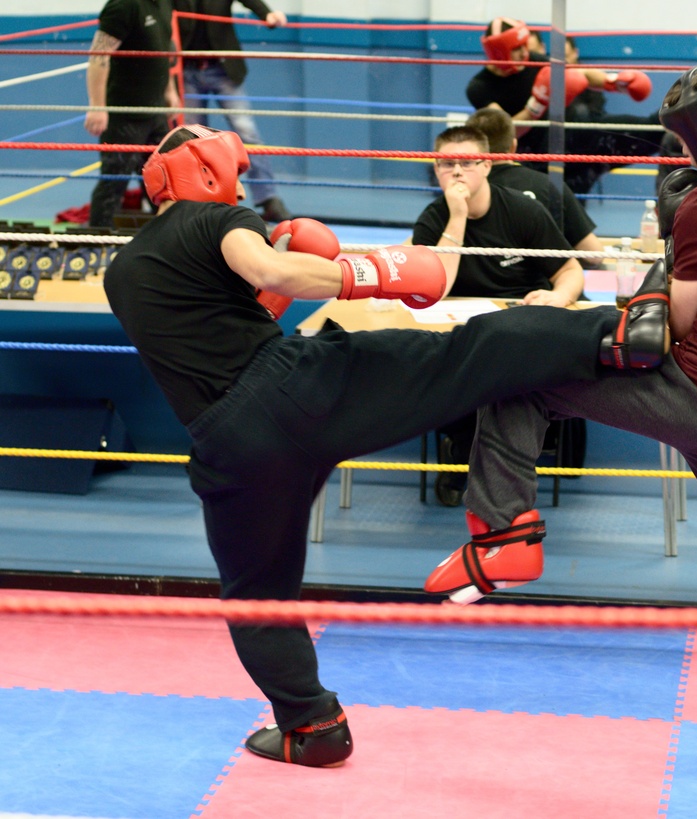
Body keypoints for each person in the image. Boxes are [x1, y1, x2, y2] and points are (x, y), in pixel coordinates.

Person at [102, 123, 657, 768]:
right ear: (208, 172)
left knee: (255, 595)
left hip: (229, 445)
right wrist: (370, 271)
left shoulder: (123, 273)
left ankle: (312, 726)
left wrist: (273, 292)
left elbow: (215, 323)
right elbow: (269, 268)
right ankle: (614, 334)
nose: (241, 187)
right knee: (463, 354)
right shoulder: (215, 218)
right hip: (296, 392)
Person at [424, 61, 697, 778]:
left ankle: (503, 533)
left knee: (520, 371)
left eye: (687, 141)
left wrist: (679, 245)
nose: (686, 154)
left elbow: (676, 325)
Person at [411, 124, 587, 506]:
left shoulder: (522, 210)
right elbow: (435, 288)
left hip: (518, 326)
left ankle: (495, 470)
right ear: (436, 170)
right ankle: (461, 454)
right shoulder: (432, 219)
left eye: (467, 163)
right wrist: (457, 217)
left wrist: (558, 296)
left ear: (488, 165)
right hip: (462, 336)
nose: (457, 172)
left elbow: (571, 270)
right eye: (447, 164)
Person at [467, 16, 662, 195]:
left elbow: (578, 73)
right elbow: (505, 132)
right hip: (535, 158)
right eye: (516, 48)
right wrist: (536, 106)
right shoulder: (480, 87)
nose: (524, 52)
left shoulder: (533, 60)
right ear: (498, 51)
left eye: (524, 45)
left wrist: (612, 82)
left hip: (573, 138)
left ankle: (674, 119)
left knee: (646, 129)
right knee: (561, 205)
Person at [181, 0, 292, 222]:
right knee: (191, 138)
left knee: (247, 132)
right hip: (186, 68)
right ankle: (196, 200)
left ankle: (268, 198)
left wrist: (267, 14)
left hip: (223, 68)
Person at [464, 107, 606, 265]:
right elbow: (594, 254)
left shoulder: (460, 191)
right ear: (513, 146)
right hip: (548, 279)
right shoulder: (548, 185)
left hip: (476, 278)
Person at [84, 0, 180, 228]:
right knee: (113, 185)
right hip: (124, 114)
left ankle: (167, 239)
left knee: (163, 182)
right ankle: (96, 242)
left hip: (155, 112)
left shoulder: (164, 2)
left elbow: (164, 47)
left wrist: (169, 91)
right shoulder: (124, 5)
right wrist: (97, 106)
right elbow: (99, 55)